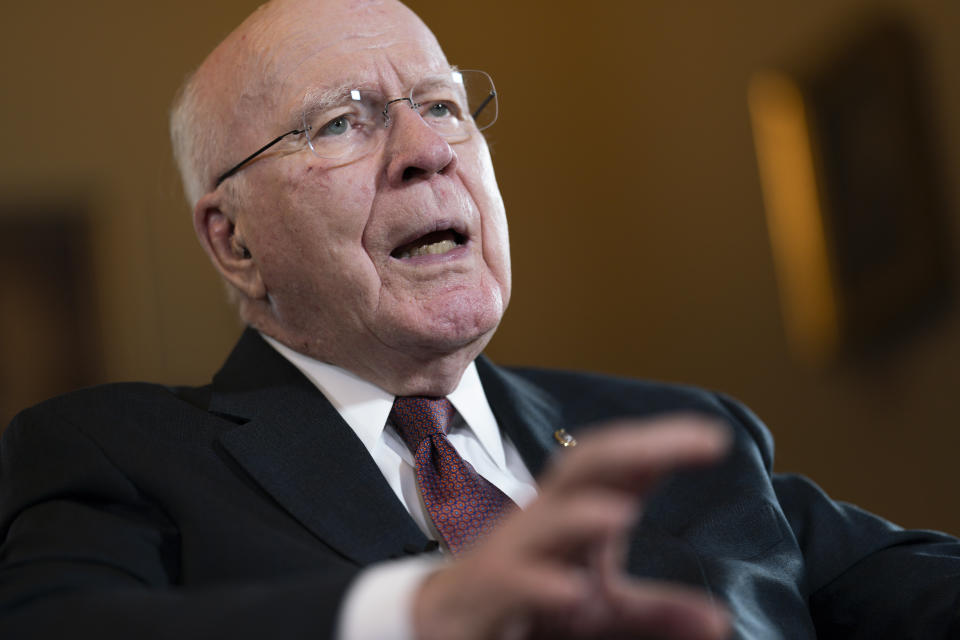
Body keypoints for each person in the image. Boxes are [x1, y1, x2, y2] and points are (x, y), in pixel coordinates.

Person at [1, 0, 958, 638]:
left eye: (444, 105)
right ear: (234, 243)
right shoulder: (114, 453)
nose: (427, 151)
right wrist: (424, 611)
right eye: (341, 122)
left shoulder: (686, 437)